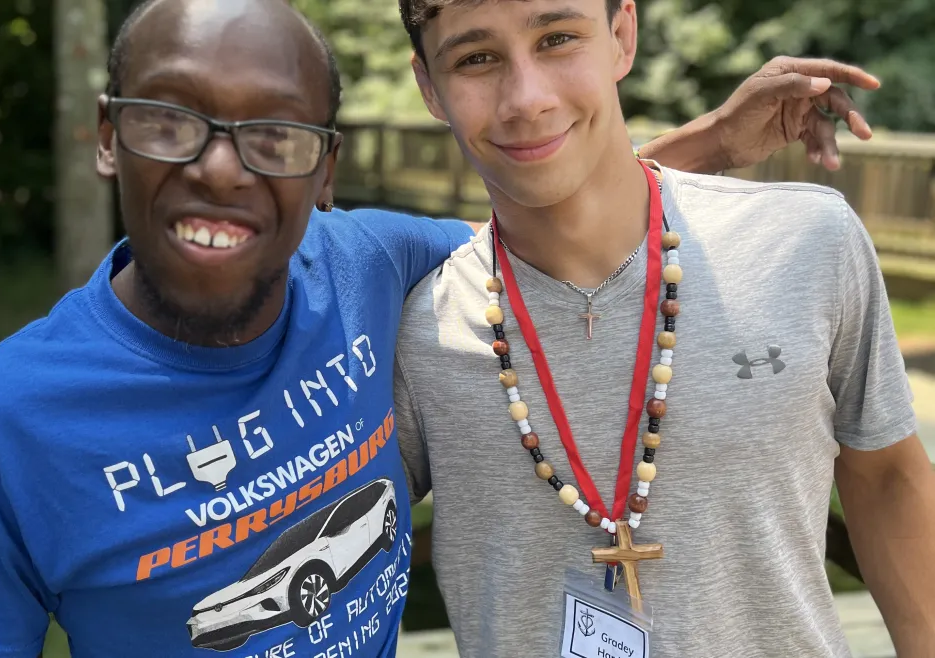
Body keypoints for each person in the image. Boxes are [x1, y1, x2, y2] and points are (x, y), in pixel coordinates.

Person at [0, 0, 888, 656]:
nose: (222, 169)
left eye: (275, 135)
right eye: (169, 120)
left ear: (324, 172)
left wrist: (710, 144)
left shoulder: (370, 263)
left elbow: (543, 205)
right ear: (110, 135)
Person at [392, 1, 935, 657]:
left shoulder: (805, 243)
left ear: (622, 36)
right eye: (475, 58)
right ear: (429, 86)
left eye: (558, 38)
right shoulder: (417, 330)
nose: (525, 98)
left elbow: (887, 480)